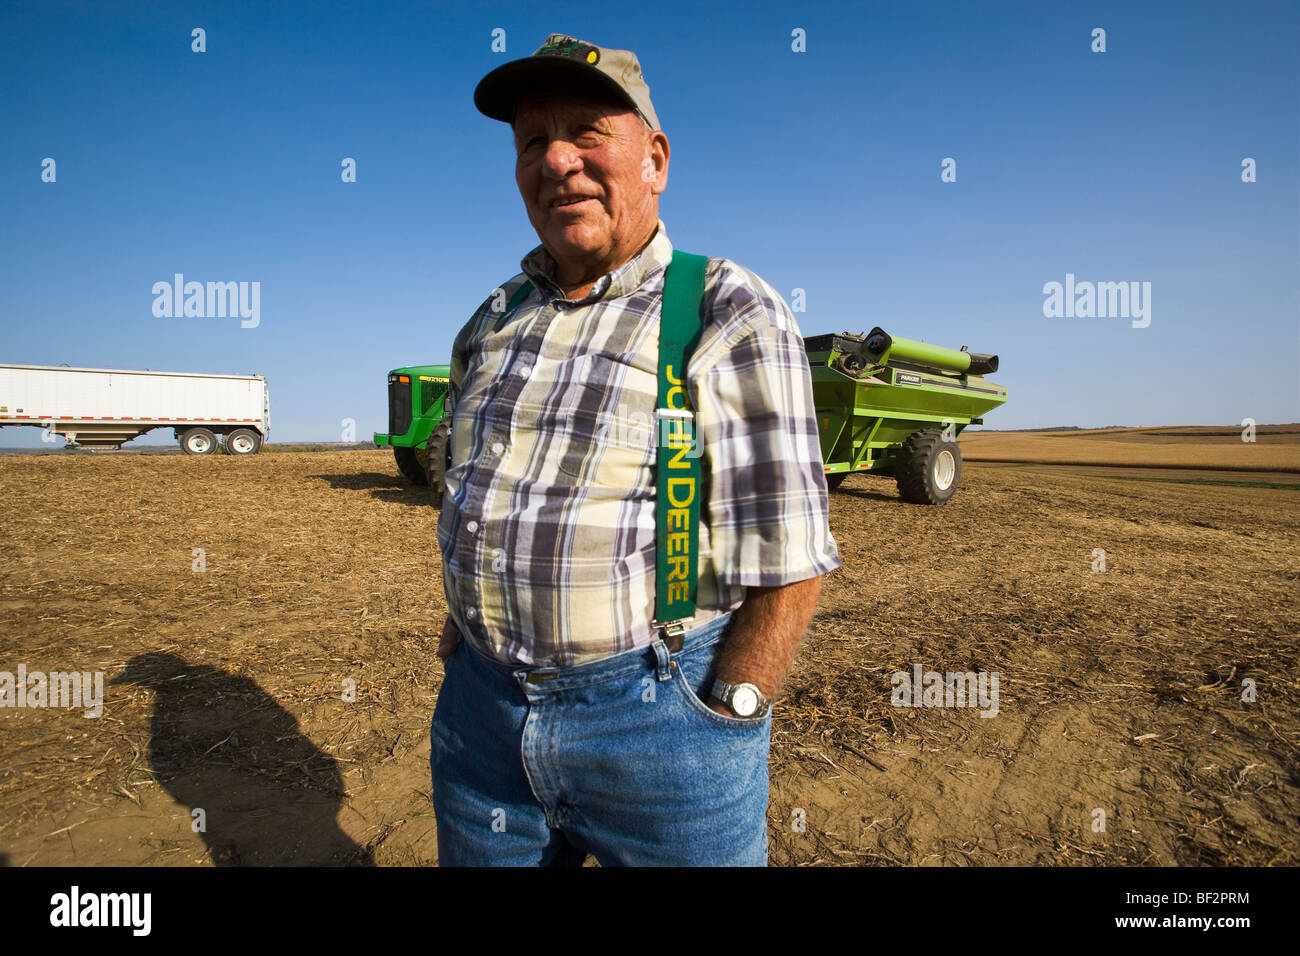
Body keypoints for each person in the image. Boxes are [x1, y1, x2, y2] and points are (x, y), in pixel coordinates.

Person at [429, 33, 841, 866]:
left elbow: (790, 548)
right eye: (531, 142)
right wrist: (464, 624)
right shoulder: (494, 317)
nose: (556, 161)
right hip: (482, 721)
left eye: (586, 133)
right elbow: (484, 483)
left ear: (654, 159)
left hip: (658, 724)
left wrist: (736, 702)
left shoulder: (724, 306)